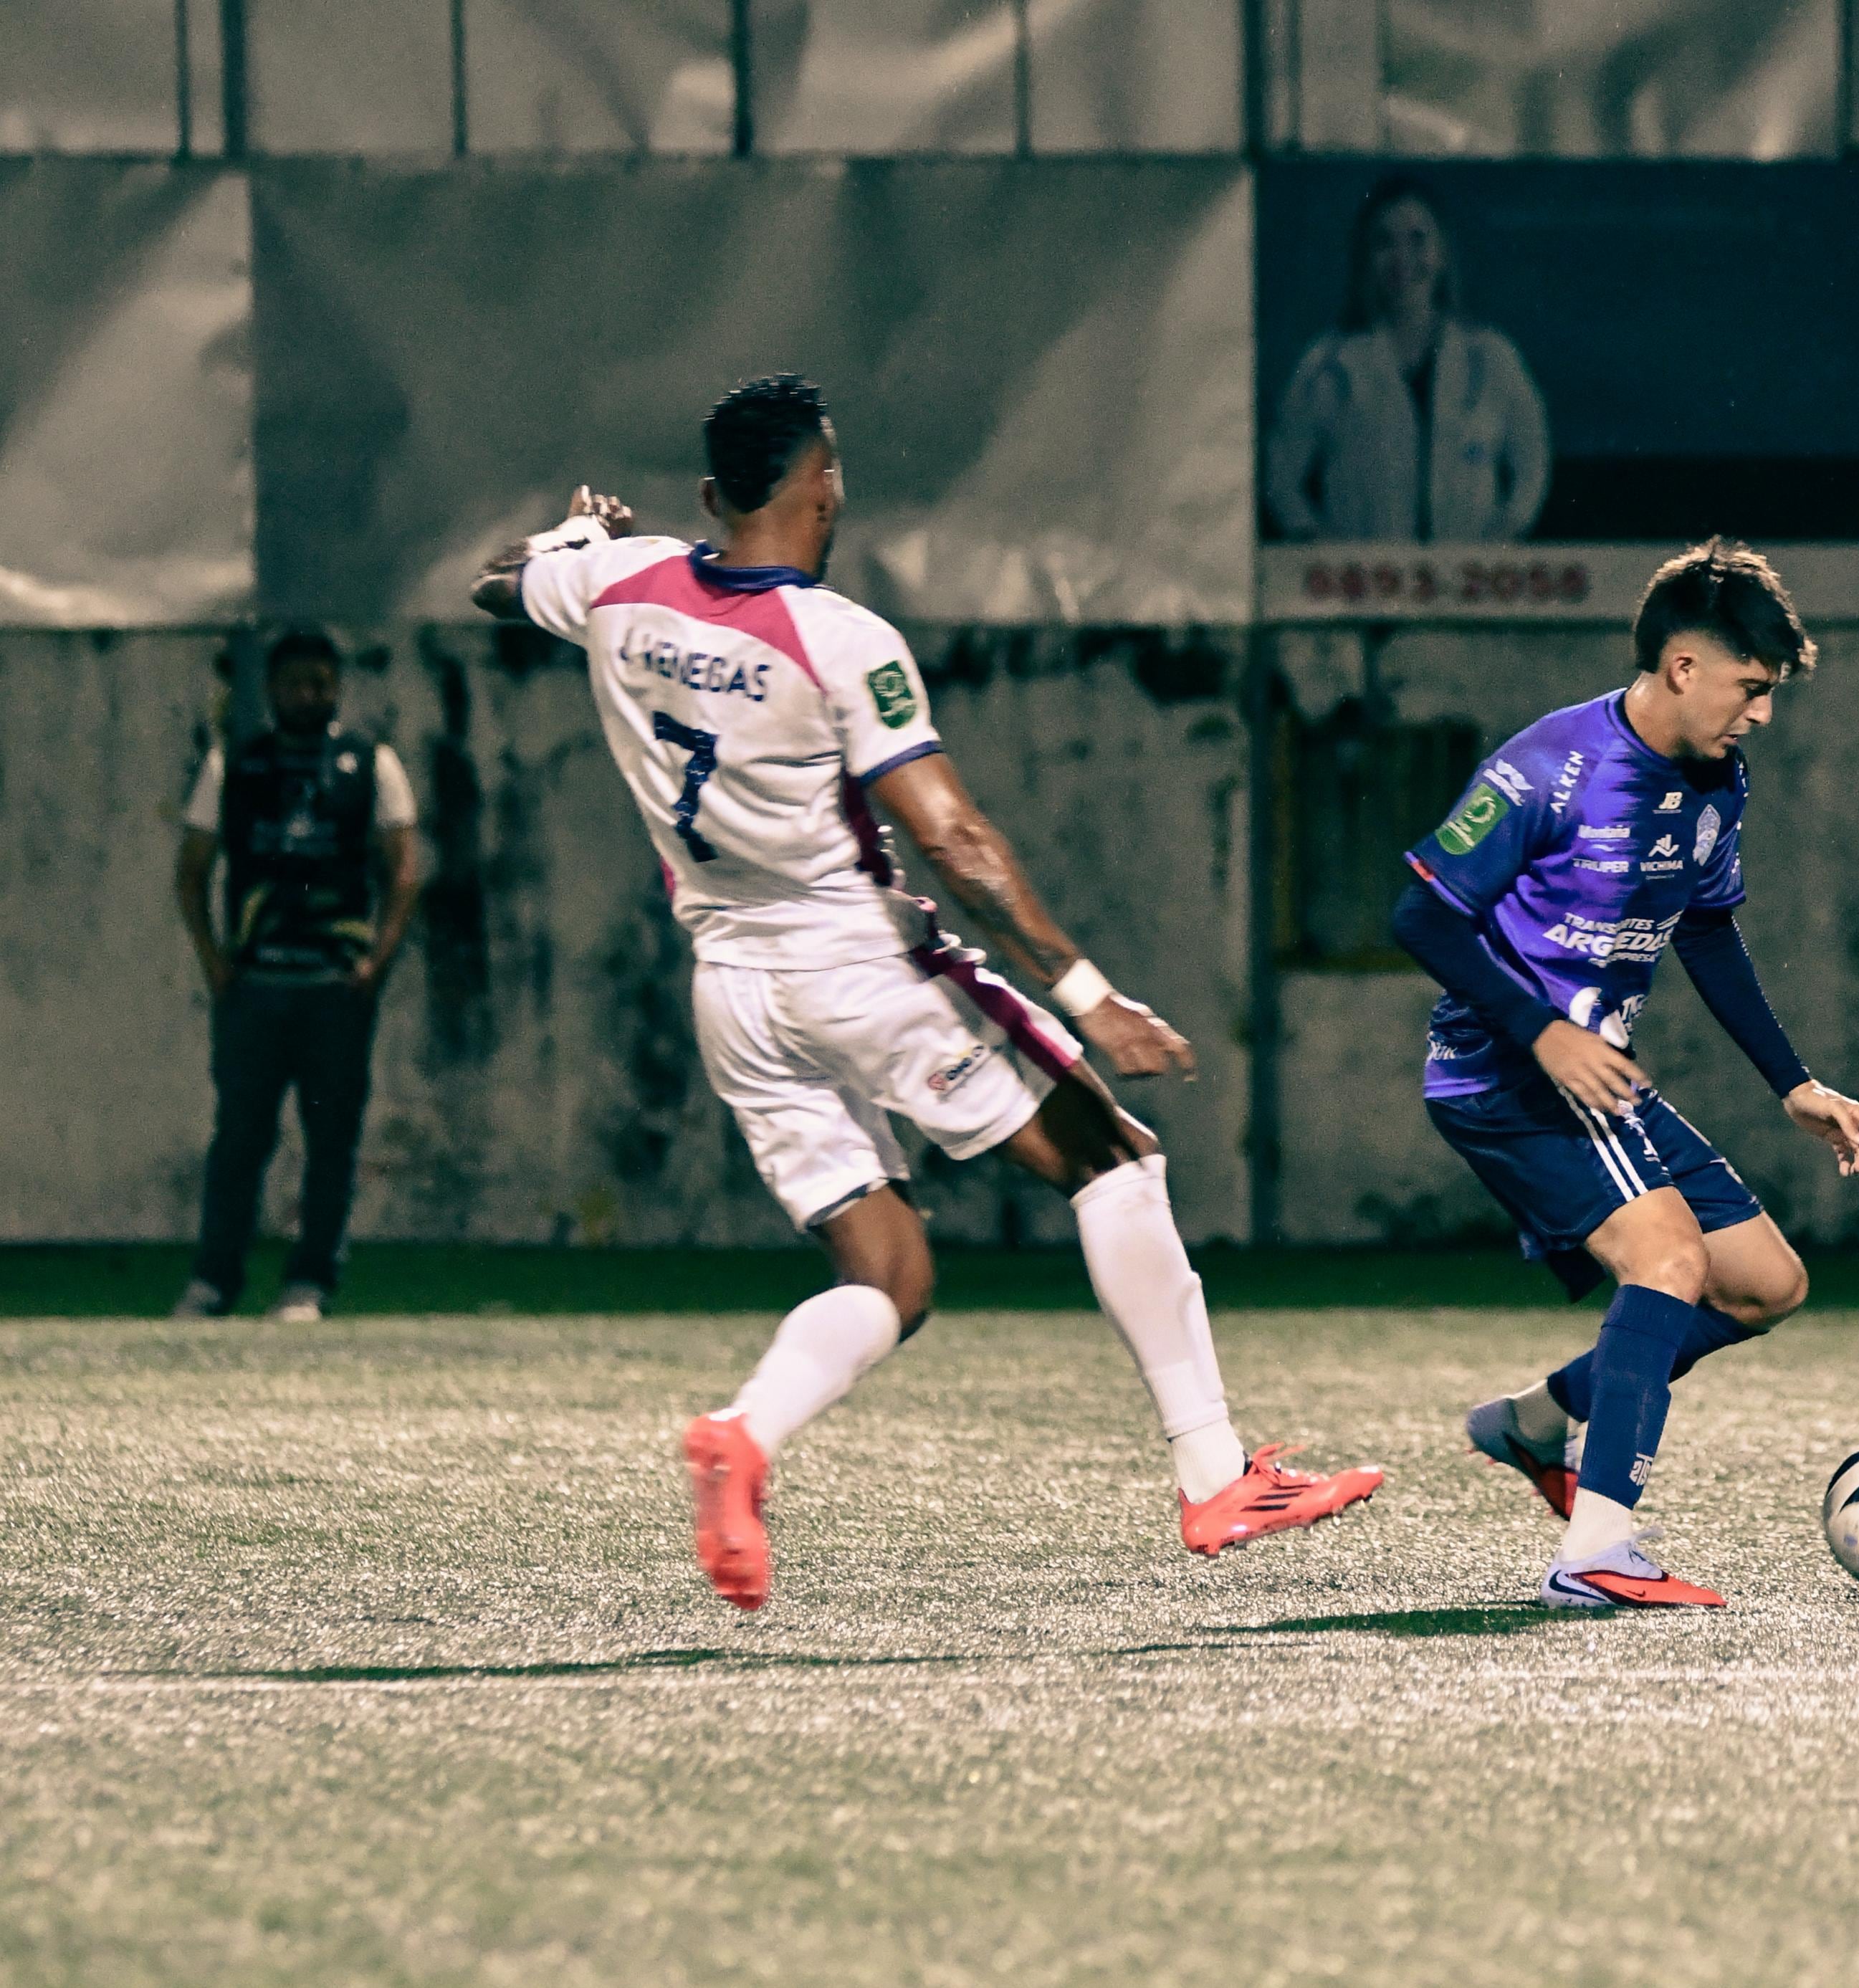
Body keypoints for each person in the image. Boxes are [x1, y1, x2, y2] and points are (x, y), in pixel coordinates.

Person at [470, 373, 1381, 1612]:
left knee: (891, 1276)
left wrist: (577, 539)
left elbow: (499, 576)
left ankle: (743, 1433)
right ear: (821, 484)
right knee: (1113, 1158)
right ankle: (1217, 1473)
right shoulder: (842, 639)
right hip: (858, 964)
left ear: (710, 495)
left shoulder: (615, 581)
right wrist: (1089, 991)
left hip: (731, 989)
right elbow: (953, 836)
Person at [1390, 540, 1859, 1610]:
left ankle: (1536, 1419)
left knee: (1765, 1284)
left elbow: (1708, 931)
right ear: (1681, 668)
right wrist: (1540, 1031)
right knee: (1666, 1259)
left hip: (1597, 1078)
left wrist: (1790, 1081)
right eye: (1751, 689)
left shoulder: (1716, 780)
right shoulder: (1548, 764)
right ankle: (1596, 1550)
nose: (1759, 713)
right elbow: (1423, 911)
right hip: (1506, 1070)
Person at [172, 630, 423, 1323]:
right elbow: (191, 872)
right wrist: (216, 964)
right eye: (294, 684)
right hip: (255, 989)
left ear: (336, 687)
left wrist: (375, 962)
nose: (307, 695)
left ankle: (309, 1284)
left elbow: (403, 871)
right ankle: (213, 1283)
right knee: (240, 1140)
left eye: (319, 683)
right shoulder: (235, 766)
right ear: (272, 690)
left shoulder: (370, 764)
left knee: (332, 1142)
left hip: (336, 991)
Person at [1265, 173, 1551, 543]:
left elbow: (1533, 462)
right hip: (1366, 590)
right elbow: (1281, 476)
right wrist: (1321, 547)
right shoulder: (1329, 366)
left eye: (1418, 240)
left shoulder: (1491, 359)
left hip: (1471, 587)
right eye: (1384, 242)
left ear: (1443, 253)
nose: (1402, 258)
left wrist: (1501, 541)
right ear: (1365, 257)